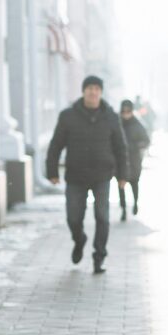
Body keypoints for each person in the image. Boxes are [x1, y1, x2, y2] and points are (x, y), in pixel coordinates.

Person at [46, 75, 128, 274]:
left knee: (102, 217)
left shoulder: (110, 116)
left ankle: (99, 257)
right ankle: (79, 239)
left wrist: (122, 175)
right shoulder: (68, 116)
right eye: (89, 88)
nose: (93, 92)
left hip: (102, 175)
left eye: (96, 89)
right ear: (83, 91)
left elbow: (120, 147)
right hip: (76, 176)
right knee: (73, 217)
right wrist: (52, 171)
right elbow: (56, 144)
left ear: (100, 92)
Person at [118, 99, 150, 221]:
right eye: (124, 111)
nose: (126, 113)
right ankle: (123, 209)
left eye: (128, 111)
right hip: (121, 161)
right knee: (121, 185)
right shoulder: (117, 124)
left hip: (134, 160)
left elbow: (146, 141)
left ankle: (135, 203)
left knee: (134, 184)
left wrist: (136, 146)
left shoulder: (138, 124)